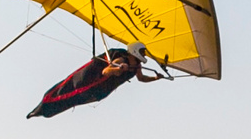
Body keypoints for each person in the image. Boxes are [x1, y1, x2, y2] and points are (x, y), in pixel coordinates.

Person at [27, 43, 163, 119]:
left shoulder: (136, 66)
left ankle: (44, 112)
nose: (144, 55)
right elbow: (106, 71)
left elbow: (141, 78)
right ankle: (40, 109)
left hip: (99, 93)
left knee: (71, 102)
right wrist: (118, 69)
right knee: (64, 94)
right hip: (89, 83)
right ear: (135, 51)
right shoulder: (121, 59)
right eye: (142, 52)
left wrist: (155, 78)